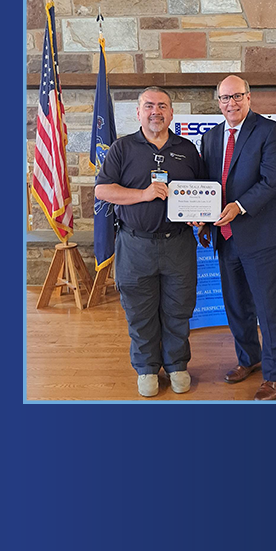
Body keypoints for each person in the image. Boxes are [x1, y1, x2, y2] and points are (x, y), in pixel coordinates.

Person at [95, 87, 205, 397]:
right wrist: (143, 194)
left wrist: (200, 215)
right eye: (149, 106)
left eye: (162, 106)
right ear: (139, 112)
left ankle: (177, 364)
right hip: (135, 245)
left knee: (178, 308)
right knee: (140, 311)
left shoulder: (188, 149)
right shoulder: (122, 148)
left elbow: (202, 192)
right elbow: (103, 191)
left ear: (171, 113)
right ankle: (146, 368)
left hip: (179, 244)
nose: (155, 111)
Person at [197, 75, 276, 401]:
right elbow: (209, 186)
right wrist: (204, 220)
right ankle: (248, 358)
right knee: (236, 305)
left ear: (249, 97)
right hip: (225, 236)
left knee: (268, 309)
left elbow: (273, 180)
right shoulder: (210, 138)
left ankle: (275, 374)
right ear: (218, 102)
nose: (231, 104)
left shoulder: (269, 131)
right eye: (225, 98)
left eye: (237, 96)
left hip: (261, 235)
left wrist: (238, 207)